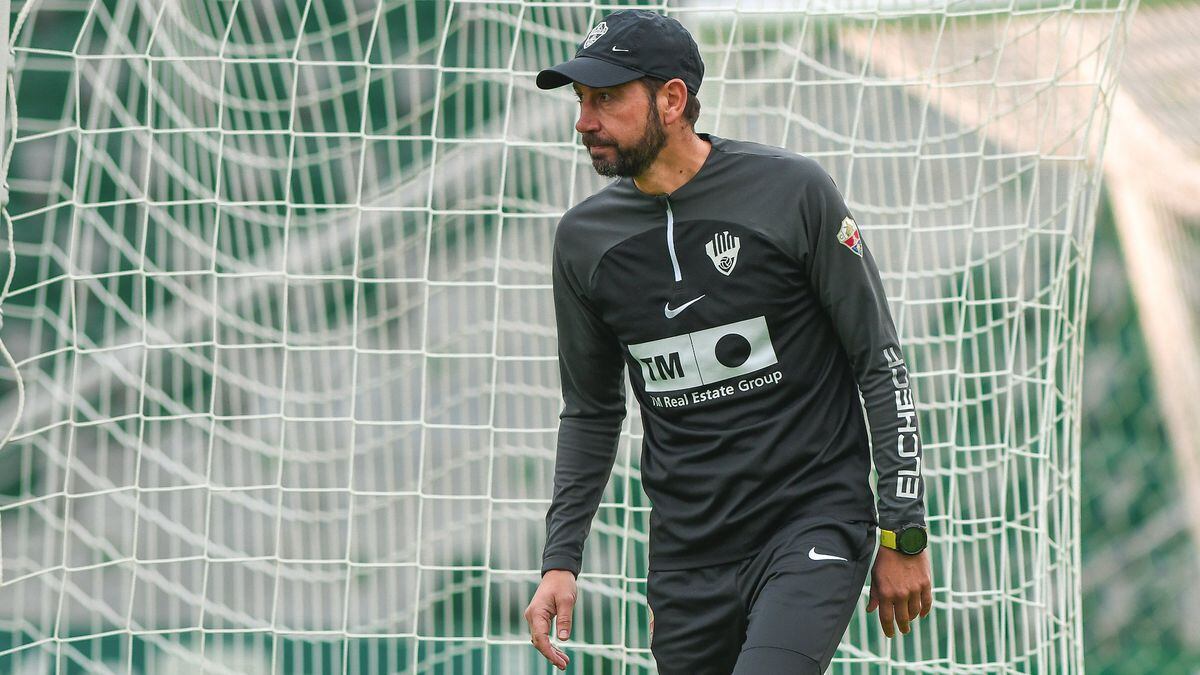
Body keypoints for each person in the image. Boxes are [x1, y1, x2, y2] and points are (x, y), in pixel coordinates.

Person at [523, 9, 933, 674]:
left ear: (672, 99)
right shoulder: (582, 242)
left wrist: (904, 528)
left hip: (810, 525)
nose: (584, 121)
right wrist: (561, 559)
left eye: (605, 98)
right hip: (688, 559)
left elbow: (878, 362)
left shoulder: (794, 192)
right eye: (580, 101)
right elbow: (592, 412)